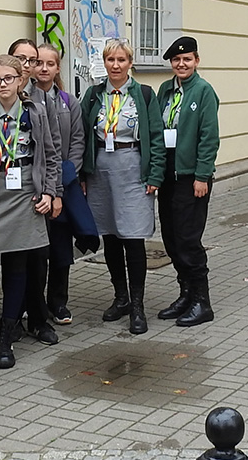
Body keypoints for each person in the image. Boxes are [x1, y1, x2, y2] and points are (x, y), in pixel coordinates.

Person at [0, 55, 59, 368]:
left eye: (8, 78)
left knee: (17, 269)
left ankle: (7, 335)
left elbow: (51, 157)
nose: (2, 84)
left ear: (20, 80)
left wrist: (50, 192)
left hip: (25, 196)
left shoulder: (36, 113)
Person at [79, 38, 165, 335]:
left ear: (130, 63)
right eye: (110, 60)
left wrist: (155, 175)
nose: (115, 65)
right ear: (104, 62)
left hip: (132, 169)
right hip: (101, 172)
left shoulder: (144, 94)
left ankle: (138, 305)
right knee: (111, 236)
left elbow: (156, 136)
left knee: (133, 237)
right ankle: (121, 297)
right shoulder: (93, 94)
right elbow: (82, 135)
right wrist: (82, 175)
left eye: (121, 60)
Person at [157, 36, 220, 326]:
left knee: (188, 239)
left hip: (191, 177)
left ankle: (202, 302)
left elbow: (209, 137)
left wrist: (202, 175)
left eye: (187, 59)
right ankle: (185, 294)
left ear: (196, 61)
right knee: (171, 239)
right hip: (168, 175)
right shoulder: (165, 90)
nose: (181, 64)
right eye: (176, 60)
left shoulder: (203, 91)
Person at [8, 39, 62, 345]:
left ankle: (38, 318)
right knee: (12, 262)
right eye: (21, 59)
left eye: (32, 60)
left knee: (38, 259)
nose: (27, 66)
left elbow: (54, 150)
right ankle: (12, 318)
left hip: (37, 193)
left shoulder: (42, 99)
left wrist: (54, 192)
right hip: (4, 195)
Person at [34, 43, 86, 325]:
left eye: (50, 64)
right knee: (35, 252)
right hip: (33, 189)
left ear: (57, 68)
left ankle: (58, 302)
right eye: (38, 63)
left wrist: (64, 180)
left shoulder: (68, 102)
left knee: (60, 248)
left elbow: (77, 142)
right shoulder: (24, 99)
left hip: (61, 187)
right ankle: (33, 303)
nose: (43, 68)